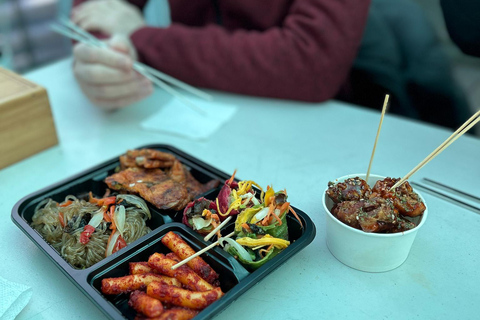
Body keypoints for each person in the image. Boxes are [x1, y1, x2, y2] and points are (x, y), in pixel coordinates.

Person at [70, 0, 371, 111]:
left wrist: (143, 37)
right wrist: (106, 56)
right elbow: (96, 9)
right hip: (185, 110)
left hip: (314, 120)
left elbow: (311, 62)